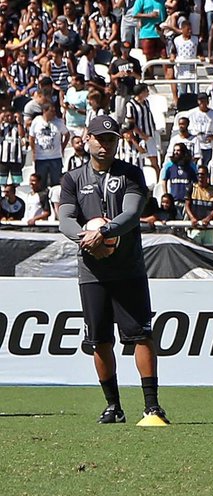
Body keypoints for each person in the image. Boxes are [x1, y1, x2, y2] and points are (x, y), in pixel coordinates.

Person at [57, 115, 168, 427]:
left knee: (141, 336)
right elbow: (65, 219)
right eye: (99, 138)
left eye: (110, 139)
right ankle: (113, 407)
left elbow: (131, 214)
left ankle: (152, 406)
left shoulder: (131, 173)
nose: (105, 144)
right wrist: (85, 236)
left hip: (128, 269)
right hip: (92, 272)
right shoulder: (72, 179)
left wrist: (104, 231)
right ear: (87, 139)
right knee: (100, 340)